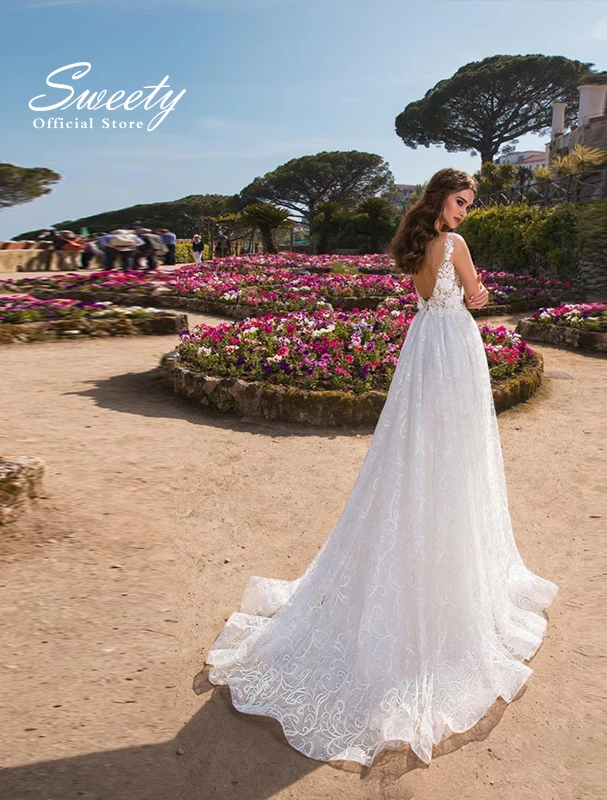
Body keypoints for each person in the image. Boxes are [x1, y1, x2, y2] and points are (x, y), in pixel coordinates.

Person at [205, 167, 559, 767]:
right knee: (456, 449)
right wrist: (481, 295)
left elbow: (427, 294)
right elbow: (477, 298)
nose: (465, 211)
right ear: (442, 200)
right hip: (453, 348)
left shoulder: (418, 242)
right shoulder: (456, 246)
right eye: (461, 201)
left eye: (469, 205)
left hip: (424, 344)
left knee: (413, 446)